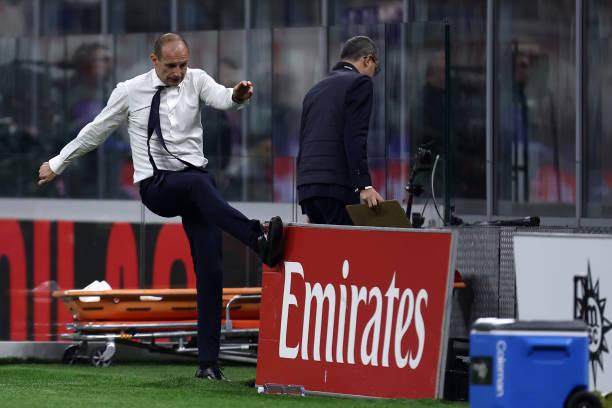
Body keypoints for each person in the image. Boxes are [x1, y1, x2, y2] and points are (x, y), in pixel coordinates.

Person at [37, 33, 284, 380]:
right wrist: (58, 162)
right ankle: (255, 238)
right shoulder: (130, 90)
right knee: (200, 183)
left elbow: (223, 97)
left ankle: (208, 364)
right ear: (154, 60)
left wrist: (237, 96)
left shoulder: (197, 79)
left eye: (182, 65)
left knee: (211, 271)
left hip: (198, 188)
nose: (178, 72)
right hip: (158, 187)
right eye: (171, 66)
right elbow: (97, 130)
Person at [296, 35, 384, 225]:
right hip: (336, 187)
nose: (371, 76)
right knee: (345, 244)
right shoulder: (360, 83)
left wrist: (308, 192)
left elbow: (304, 140)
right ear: (367, 60)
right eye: (374, 70)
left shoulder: (315, 89)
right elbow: (355, 136)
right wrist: (364, 185)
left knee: (323, 243)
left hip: (307, 186)